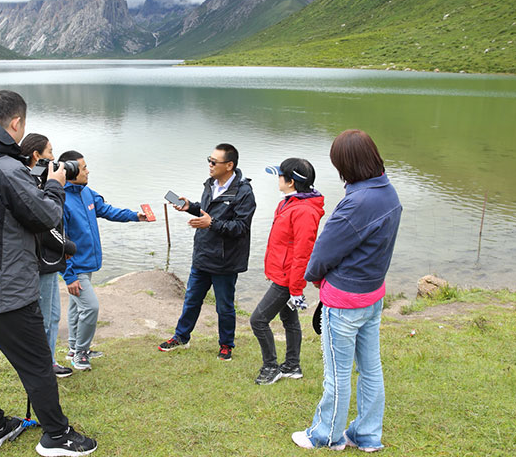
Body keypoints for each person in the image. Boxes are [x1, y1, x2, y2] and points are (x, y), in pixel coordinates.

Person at [0, 90, 96, 457]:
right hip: (6, 287)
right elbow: (47, 216)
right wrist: (55, 185)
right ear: (16, 123)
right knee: (36, 364)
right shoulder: (7, 169)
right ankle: (56, 436)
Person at [291, 129, 402, 453]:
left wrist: (313, 276)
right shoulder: (388, 193)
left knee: (337, 374)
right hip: (372, 296)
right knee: (370, 369)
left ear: (347, 165)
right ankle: (367, 435)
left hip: (344, 302)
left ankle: (326, 436)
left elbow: (323, 253)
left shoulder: (356, 203)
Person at [158, 143, 256, 361]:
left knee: (224, 307)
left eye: (214, 162)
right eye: (209, 160)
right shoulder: (211, 183)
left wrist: (211, 224)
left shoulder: (243, 192)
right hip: (203, 254)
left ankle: (226, 345)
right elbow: (206, 212)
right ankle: (181, 337)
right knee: (191, 300)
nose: (210, 165)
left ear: (229, 165)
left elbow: (241, 227)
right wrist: (190, 207)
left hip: (225, 260)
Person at [57, 150, 148, 371]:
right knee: (90, 307)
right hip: (75, 267)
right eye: (84, 168)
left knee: (76, 307)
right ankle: (81, 353)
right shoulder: (61, 200)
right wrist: (69, 276)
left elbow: (107, 210)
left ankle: (73, 348)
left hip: (87, 264)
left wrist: (135, 216)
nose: (88, 171)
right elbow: (59, 242)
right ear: (71, 171)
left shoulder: (87, 192)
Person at [250, 158, 325, 385]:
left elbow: (303, 253)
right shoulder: (288, 203)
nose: (278, 179)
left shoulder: (304, 211)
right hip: (281, 274)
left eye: (280, 176)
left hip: (287, 279)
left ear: (291, 182)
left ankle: (271, 367)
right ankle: (292, 366)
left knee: (258, 320)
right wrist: (271, 269)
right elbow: (283, 244)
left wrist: (296, 289)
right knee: (289, 319)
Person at [18, 133, 76, 379]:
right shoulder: (31, 184)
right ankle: (44, 365)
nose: (54, 158)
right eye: (50, 152)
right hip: (42, 262)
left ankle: (47, 361)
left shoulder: (32, 181)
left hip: (46, 260)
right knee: (45, 317)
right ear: (37, 155)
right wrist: (67, 247)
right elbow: (46, 224)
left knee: (51, 316)